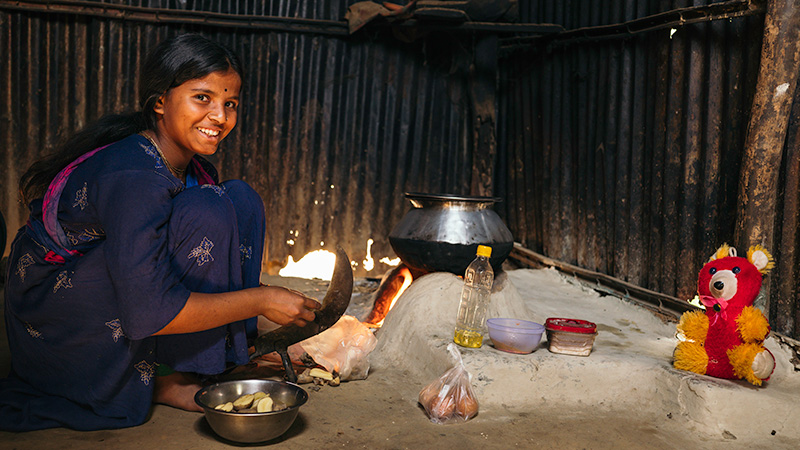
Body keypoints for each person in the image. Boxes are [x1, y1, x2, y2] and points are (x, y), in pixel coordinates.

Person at [0, 33, 320, 431]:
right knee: (209, 210)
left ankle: (203, 359)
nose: (219, 117)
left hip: (105, 282)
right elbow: (147, 310)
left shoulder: (190, 165)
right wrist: (260, 299)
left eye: (229, 103)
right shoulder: (135, 176)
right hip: (53, 310)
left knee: (237, 199)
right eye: (202, 98)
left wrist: (256, 327)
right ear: (159, 102)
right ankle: (162, 380)